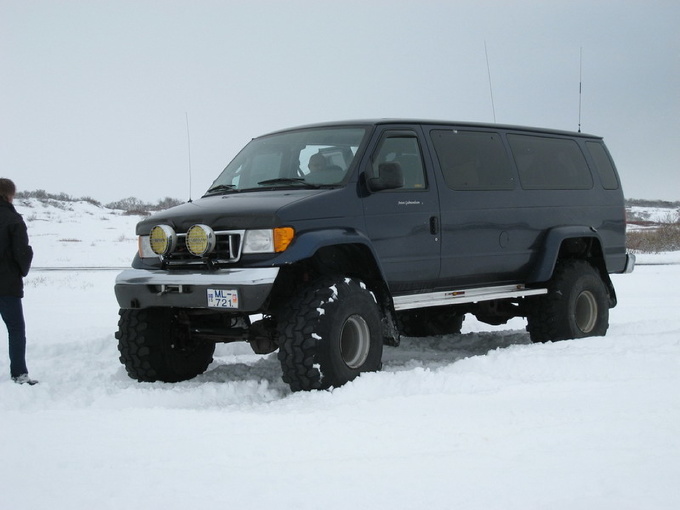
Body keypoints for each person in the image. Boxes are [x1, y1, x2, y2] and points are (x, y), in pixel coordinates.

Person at [0, 178, 37, 385]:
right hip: (6, 285)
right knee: (15, 329)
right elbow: (21, 252)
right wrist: (21, 270)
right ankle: (19, 374)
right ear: (9, 195)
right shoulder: (13, 220)